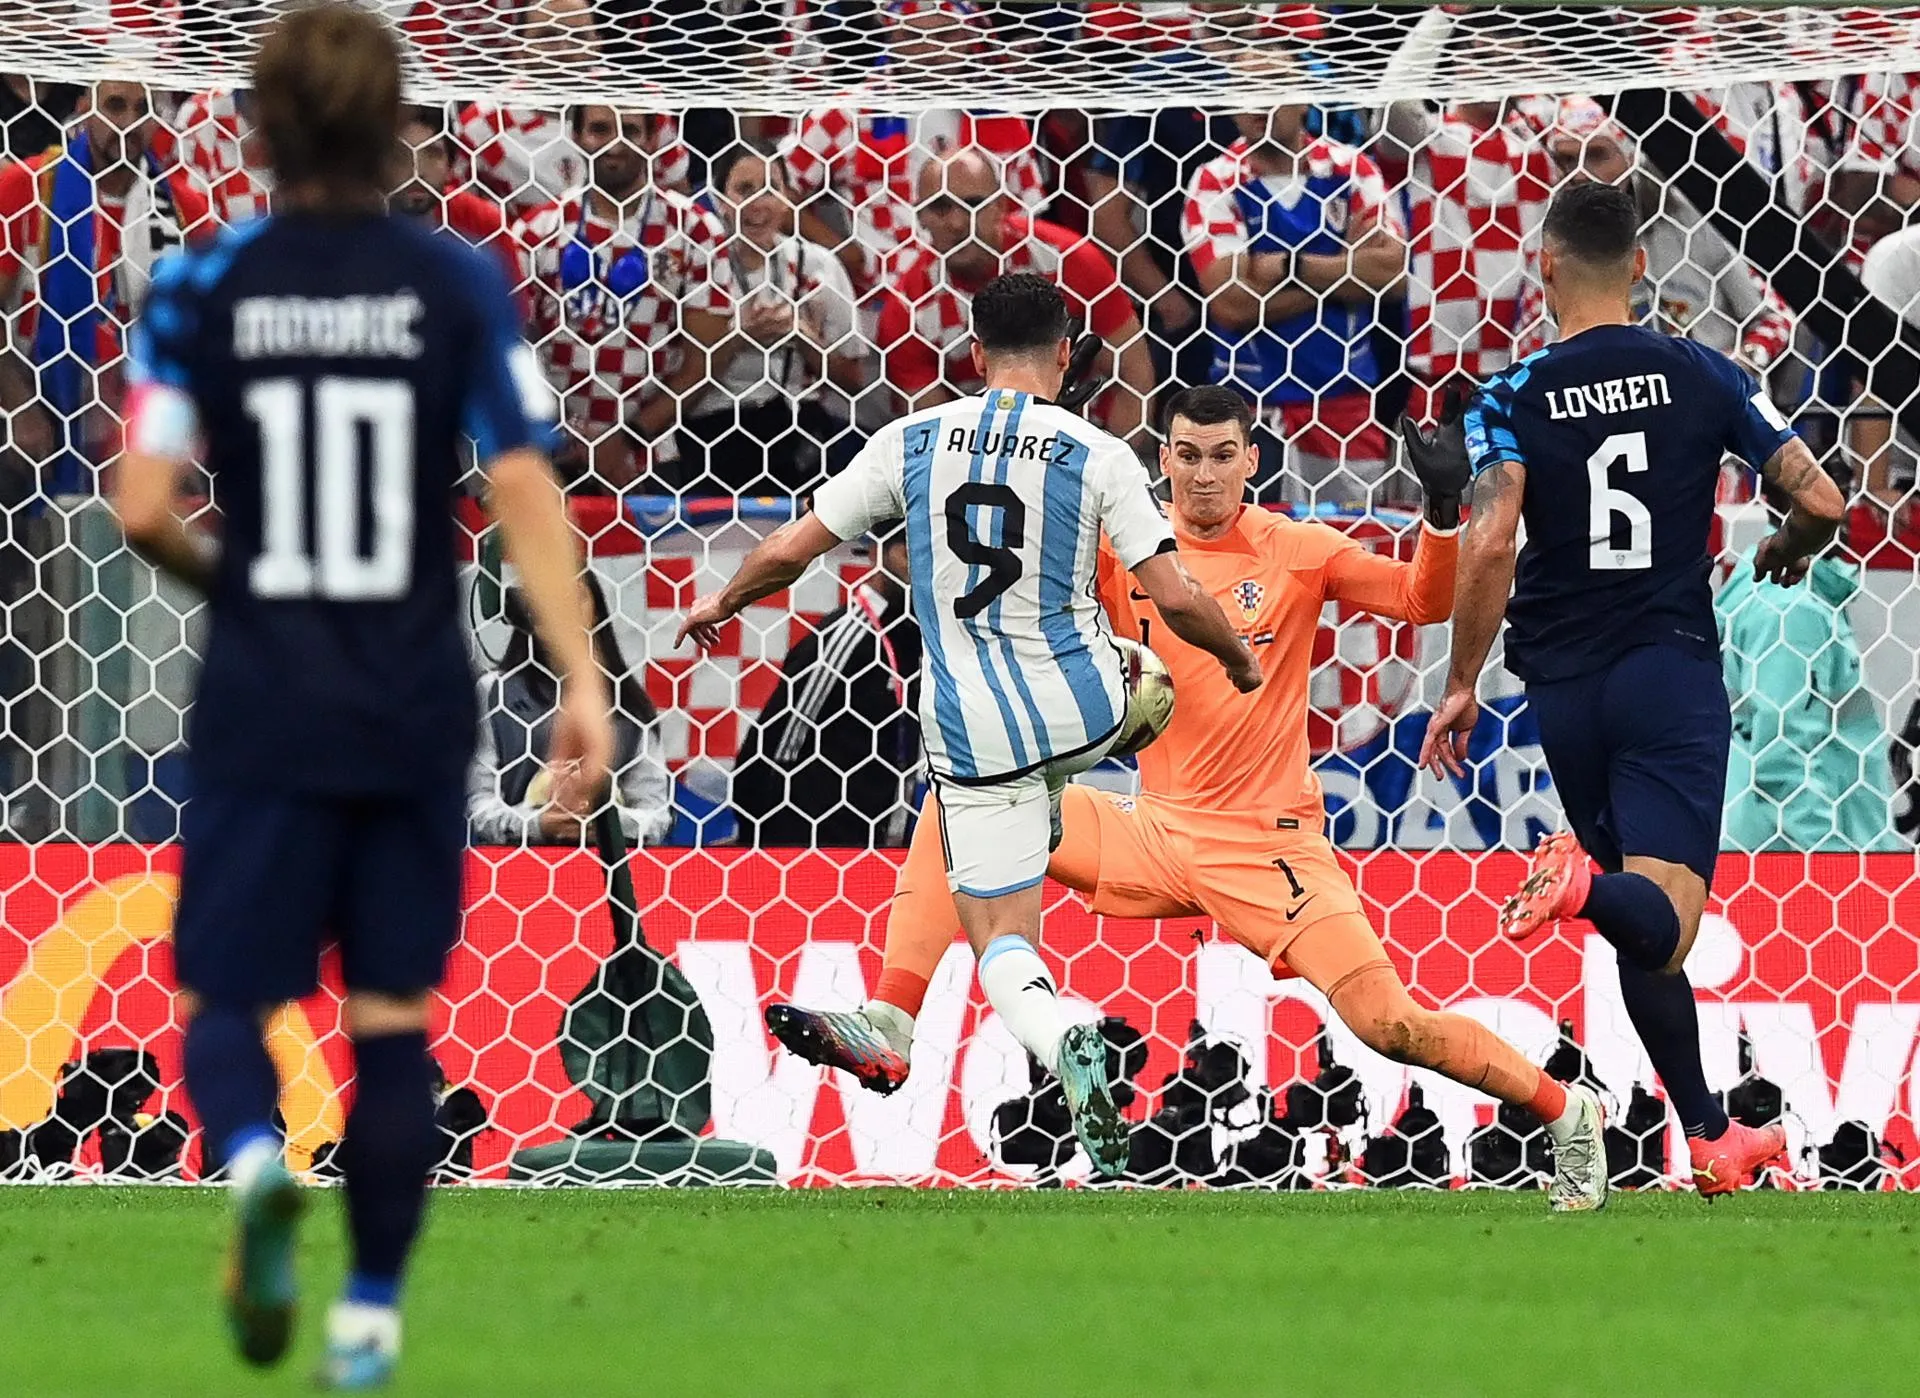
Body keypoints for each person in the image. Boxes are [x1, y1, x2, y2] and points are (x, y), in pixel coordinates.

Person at [766, 384, 1611, 1211]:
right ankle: (893, 1023)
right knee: (957, 805)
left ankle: (1567, 1112)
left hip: (1268, 848)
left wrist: (1437, 507)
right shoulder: (1123, 553)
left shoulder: (1297, 551)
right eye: (1186, 457)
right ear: (1161, 462)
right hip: (1151, 828)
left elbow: (1422, 600)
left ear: (1252, 460)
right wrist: (1058, 416)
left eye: (1221, 457)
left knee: (1390, 1025)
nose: (1203, 476)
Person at [110, 4, 611, 1386]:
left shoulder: (201, 283)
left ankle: (259, 1160)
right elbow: (521, 487)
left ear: (259, 130)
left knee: (225, 997)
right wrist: (581, 678)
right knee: (392, 1016)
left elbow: (143, 502)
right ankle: (371, 1320)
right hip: (411, 693)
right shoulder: (454, 284)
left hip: (267, 693)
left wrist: (244, 578)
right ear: (396, 130)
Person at [676, 273, 1260, 1176]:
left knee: (988, 908)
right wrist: (1236, 659)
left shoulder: (908, 442)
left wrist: (722, 598)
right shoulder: (1097, 451)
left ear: (975, 354)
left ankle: (941, 1022)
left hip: (974, 731)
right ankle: (960, 1024)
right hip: (1088, 708)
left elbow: (791, 550)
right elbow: (1177, 599)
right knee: (1116, 719)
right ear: (1068, 355)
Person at [1422, 179, 1846, 1198]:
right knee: (1665, 920)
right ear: (1643, 269)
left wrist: (1462, 682)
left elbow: (1489, 541)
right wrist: (1789, 545)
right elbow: (1823, 498)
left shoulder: (1509, 395)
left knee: (1636, 921)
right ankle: (1571, 884)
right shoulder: (1704, 370)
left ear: (1548, 267)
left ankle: (1708, 1135)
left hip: (1560, 686)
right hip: (1666, 670)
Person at [1184, 80, 1407, 506]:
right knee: (1249, 555)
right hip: (1247, 407)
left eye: (1271, 89)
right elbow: (1231, 305)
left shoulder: (1351, 168)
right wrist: (1344, 267)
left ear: (1304, 97)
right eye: (1245, 93)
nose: (1258, 105)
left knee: (1352, 547)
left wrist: (1287, 266)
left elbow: (1393, 278)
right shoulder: (1214, 179)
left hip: (1343, 399)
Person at [511, 104, 734, 492]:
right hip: (551, 453)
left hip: (649, 455)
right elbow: (511, 347)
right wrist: (554, 431)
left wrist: (629, 437)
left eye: (629, 130)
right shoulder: (536, 231)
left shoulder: (695, 230)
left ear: (651, 140)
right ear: (576, 136)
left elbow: (708, 359)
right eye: (599, 129)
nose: (615, 143)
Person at [875, 147, 1156, 444]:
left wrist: (1112, 469)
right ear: (920, 215)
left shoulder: (1069, 260)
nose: (957, 223)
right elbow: (936, 436)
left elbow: (1134, 377)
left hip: (1088, 440)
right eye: (941, 207)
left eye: (972, 204)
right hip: (979, 456)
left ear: (1000, 206)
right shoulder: (907, 311)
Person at [1718, 463, 1902, 852]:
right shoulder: (1789, 608)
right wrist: (1832, 860)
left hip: (1772, 843)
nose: (1838, 508)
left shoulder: (1795, 593)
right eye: (1818, 495)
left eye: (1843, 490)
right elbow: (1782, 759)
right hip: (1797, 853)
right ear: (1773, 503)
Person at [671, 143, 867, 496]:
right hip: (713, 432)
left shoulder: (818, 265)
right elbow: (676, 379)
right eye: (744, 189)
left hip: (797, 430)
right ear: (720, 199)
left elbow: (853, 381)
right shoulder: (699, 265)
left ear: (788, 199)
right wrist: (737, 338)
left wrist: (805, 337)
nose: (758, 203)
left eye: (770, 188)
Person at [732, 531, 921, 847]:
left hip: (879, 852)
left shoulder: (914, 640)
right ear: (876, 554)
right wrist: (762, 844)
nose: (918, 570)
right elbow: (771, 749)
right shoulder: (844, 636)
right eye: (908, 555)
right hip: (812, 852)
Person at [470, 572, 672, 848]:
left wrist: (604, 821)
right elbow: (476, 803)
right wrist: (539, 823)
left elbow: (656, 814)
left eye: (575, 597)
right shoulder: (494, 692)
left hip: (606, 868)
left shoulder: (628, 703)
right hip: (514, 869)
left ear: (596, 610)